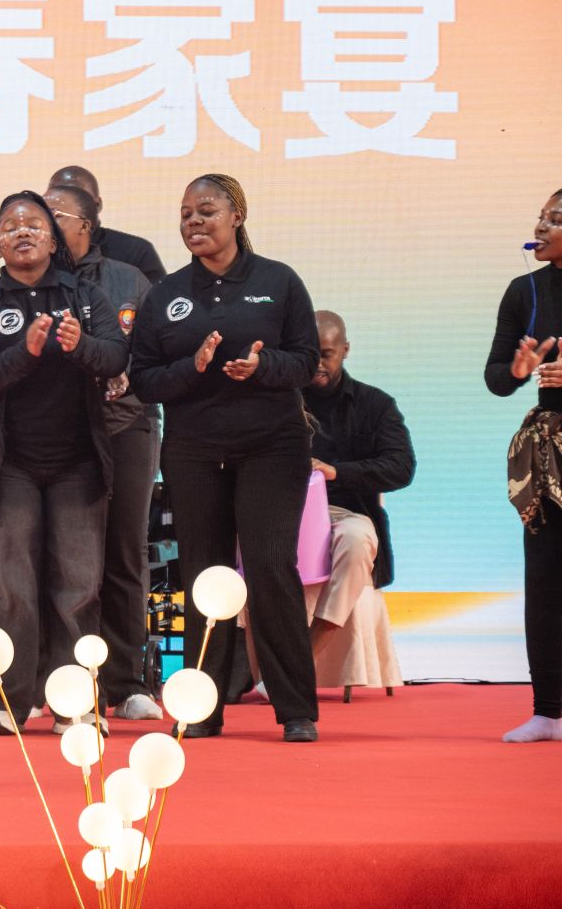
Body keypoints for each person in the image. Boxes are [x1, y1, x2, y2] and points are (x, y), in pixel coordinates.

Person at [129, 174, 321, 743]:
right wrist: (192, 369)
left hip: (272, 446)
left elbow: (307, 360)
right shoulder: (165, 294)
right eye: (185, 212)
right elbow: (143, 379)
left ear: (237, 215)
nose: (193, 221)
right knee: (204, 576)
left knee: (270, 568)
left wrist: (263, 368)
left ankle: (295, 710)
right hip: (194, 450)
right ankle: (202, 709)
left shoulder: (278, 281)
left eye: (206, 210)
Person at [0, 191, 127, 735]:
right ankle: (4, 703)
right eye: (10, 226)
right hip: (9, 466)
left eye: (33, 223)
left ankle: (75, 704)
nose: (22, 232)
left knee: (78, 588)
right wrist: (25, 353)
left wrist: (81, 347)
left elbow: (117, 356)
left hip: (79, 464)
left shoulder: (85, 297)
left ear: (53, 240)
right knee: (9, 588)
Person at [43, 182, 164, 721]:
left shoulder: (128, 278)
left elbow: (156, 347)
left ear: (85, 225)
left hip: (128, 425)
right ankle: (65, 682)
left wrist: (126, 374)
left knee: (124, 553)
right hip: (60, 432)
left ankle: (127, 682)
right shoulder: (33, 281)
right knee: (67, 560)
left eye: (53, 214)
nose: (40, 224)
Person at [300, 309, 413, 686]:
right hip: (286, 513)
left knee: (357, 538)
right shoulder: (279, 402)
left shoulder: (375, 404)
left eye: (326, 354)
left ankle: (306, 655)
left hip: (345, 512)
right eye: (310, 354)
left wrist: (336, 471)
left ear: (345, 350)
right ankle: (239, 664)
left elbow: (401, 468)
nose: (317, 363)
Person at [488, 187, 562, 743]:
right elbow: (495, 377)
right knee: (545, 578)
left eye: (554, 219)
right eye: (540, 217)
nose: (540, 226)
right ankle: (548, 711)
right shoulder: (525, 290)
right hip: (549, 450)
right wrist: (516, 372)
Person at [47, 165, 167, 286]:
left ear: (97, 205)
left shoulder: (135, 252)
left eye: (78, 196)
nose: (63, 199)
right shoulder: (40, 253)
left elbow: (158, 296)